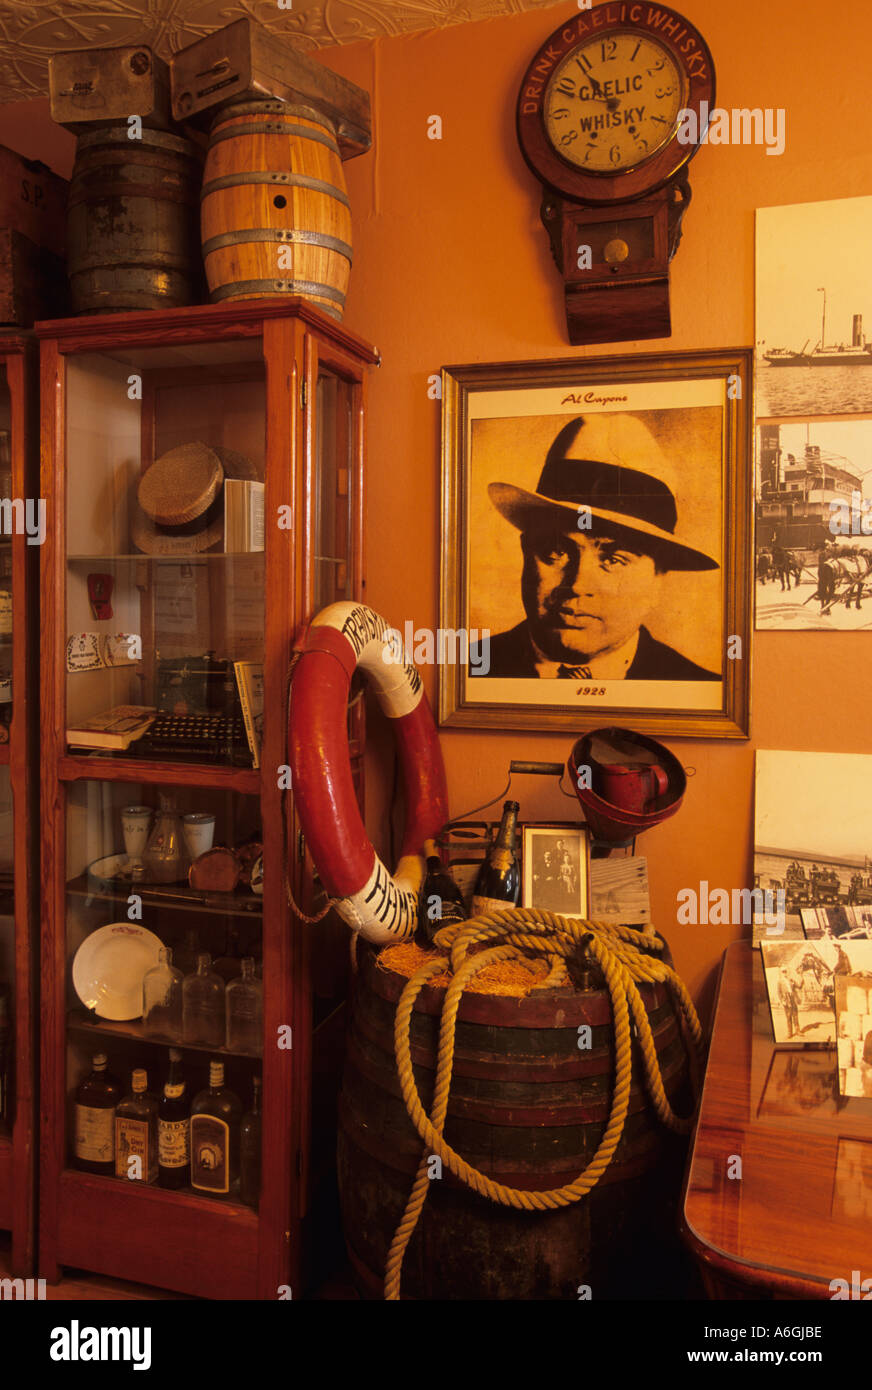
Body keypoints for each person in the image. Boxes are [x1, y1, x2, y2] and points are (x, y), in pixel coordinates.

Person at [469, 415, 720, 680]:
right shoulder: (460, 674)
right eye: (556, 553)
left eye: (613, 560)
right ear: (525, 551)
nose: (577, 586)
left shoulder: (698, 689)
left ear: (658, 579)